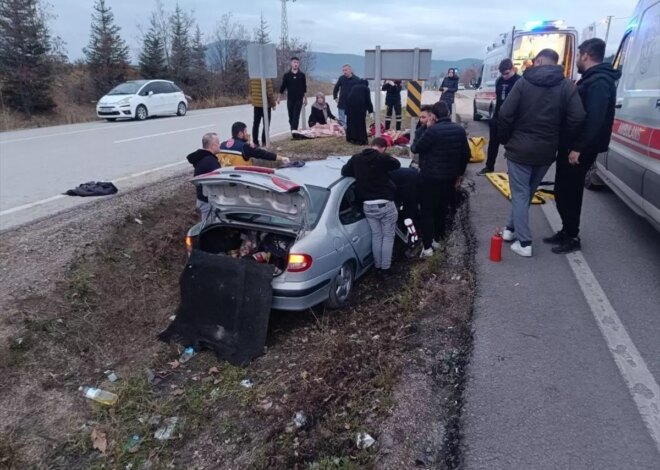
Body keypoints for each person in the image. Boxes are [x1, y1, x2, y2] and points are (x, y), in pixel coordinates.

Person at [498, 49, 585, 257]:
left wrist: (506, 139)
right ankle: (510, 230)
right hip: (546, 151)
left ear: (538, 61)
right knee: (526, 193)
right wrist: (561, 139)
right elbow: (578, 117)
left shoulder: (523, 83)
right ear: (556, 63)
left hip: (519, 148)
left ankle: (525, 242)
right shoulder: (566, 86)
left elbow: (505, 113)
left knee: (520, 194)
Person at [545, 38, 621, 254]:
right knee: (562, 189)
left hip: (579, 149)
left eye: (578, 55)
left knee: (570, 191)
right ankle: (566, 230)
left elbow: (595, 119)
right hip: (573, 145)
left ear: (586, 55)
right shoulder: (591, 79)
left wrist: (578, 147)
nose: (577, 59)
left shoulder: (599, 82)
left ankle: (572, 236)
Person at [411, 101, 471, 258]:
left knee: (427, 211)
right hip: (450, 178)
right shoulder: (459, 130)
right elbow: (466, 155)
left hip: (430, 178)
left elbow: (416, 148)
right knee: (442, 209)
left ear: (434, 117)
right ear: (448, 114)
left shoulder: (432, 131)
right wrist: (459, 175)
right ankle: (438, 238)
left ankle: (428, 246)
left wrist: (426, 128)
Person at [341, 137, 401, 277]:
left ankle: (377, 266)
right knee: (388, 237)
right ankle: (385, 268)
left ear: (370, 145)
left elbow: (345, 171)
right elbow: (396, 164)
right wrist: (384, 156)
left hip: (368, 205)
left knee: (376, 236)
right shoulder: (382, 158)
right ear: (383, 148)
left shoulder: (356, 158)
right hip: (385, 204)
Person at [478, 59, 521, 175]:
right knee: (493, 144)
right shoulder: (499, 81)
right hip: (498, 117)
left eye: (507, 73)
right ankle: (489, 166)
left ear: (513, 69)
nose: (505, 76)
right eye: (503, 74)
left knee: (512, 147)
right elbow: (498, 100)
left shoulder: (520, 81)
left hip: (512, 120)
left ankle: (512, 170)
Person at [218, 122, 290, 167]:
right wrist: (281, 158)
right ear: (240, 133)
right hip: (242, 177)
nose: (247, 134)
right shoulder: (244, 147)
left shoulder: (222, 145)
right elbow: (262, 154)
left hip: (226, 177)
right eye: (245, 131)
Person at [187, 132, 221, 221]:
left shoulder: (202, 157)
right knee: (209, 228)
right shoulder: (210, 161)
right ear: (213, 145)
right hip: (207, 201)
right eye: (218, 142)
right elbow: (219, 181)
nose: (219, 145)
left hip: (202, 199)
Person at [278, 57, 307, 132]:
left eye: (297, 62)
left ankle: (294, 132)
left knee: (296, 116)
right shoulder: (287, 75)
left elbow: (304, 87)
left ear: (299, 64)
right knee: (291, 116)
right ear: (291, 63)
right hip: (290, 99)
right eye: (294, 62)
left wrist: (305, 99)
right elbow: (283, 87)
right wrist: (279, 97)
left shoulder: (302, 75)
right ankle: (293, 130)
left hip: (299, 99)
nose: (296, 64)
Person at [345, 79, 374, 145]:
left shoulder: (353, 87)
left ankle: (351, 139)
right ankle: (361, 140)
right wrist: (371, 112)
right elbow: (368, 101)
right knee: (360, 125)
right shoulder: (366, 88)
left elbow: (348, 97)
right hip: (359, 109)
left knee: (351, 124)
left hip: (349, 108)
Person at [249, 78, 275, 146]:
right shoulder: (266, 78)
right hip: (266, 104)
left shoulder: (253, 78)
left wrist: (254, 99)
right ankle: (264, 140)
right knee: (266, 124)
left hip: (256, 104)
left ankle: (255, 142)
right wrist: (273, 104)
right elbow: (269, 93)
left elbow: (251, 90)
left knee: (256, 124)